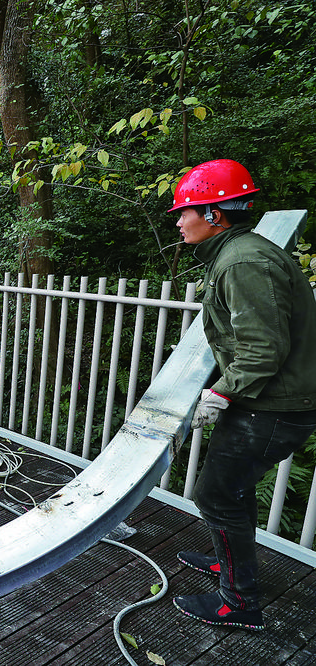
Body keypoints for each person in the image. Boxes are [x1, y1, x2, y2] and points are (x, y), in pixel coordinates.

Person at [170, 159, 316, 631]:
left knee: (217, 495)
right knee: (231, 491)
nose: (178, 221)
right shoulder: (236, 254)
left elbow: (262, 348)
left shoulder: (245, 261)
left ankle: (239, 603)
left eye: (185, 211)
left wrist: (220, 394)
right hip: (268, 401)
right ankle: (231, 564)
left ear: (215, 215)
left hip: (274, 406)